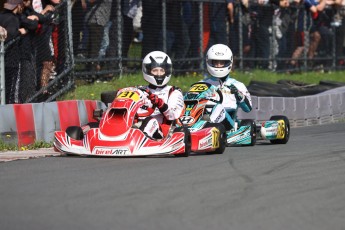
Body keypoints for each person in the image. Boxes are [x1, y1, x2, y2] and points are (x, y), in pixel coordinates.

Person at [201, 44, 252, 131]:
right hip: (204, 117)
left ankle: (208, 127)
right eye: (215, 62)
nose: (218, 65)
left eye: (222, 63)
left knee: (218, 107)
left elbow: (248, 108)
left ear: (229, 62)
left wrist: (238, 94)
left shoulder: (237, 85)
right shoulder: (202, 84)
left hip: (228, 122)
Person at [135, 51, 184, 139]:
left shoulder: (173, 91)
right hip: (137, 124)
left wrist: (160, 104)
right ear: (148, 71)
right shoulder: (140, 90)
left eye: (162, 70)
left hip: (161, 129)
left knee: (150, 121)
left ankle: (140, 137)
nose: (158, 74)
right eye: (155, 70)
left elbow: (173, 115)